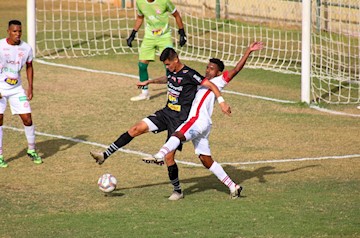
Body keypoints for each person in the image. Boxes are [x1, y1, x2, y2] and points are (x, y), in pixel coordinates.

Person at [90, 47, 231, 200]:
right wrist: (150, 81)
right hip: (166, 113)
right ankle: (104, 155)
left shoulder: (190, 74)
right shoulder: (171, 71)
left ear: (176, 59)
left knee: (169, 158)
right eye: (165, 65)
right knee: (136, 128)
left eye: (169, 64)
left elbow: (212, 86)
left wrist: (222, 102)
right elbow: (167, 78)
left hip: (180, 120)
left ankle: (177, 191)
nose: (167, 67)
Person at [144, 41, 264, 199]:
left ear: (219, 72)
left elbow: (236, 69)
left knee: (178, 134)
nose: (208, 70)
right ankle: (233, 186)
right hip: (203, 125)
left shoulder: (219, 82)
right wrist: (151, 81)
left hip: (197, 121)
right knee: (206, 160)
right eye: (207, 67)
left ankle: (160, 155)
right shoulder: (200, 82)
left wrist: (248, 51)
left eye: (212, 69)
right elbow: (173, 79)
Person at [0, 20, 43, 168]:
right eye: (14, 31)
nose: (18, 34)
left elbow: (29, 67)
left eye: (20, 31)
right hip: (0, 88)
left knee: (27, 119)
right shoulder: (0, 46)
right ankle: (0, 155)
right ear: (8, 31)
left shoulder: (26, 48)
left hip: (17, 88)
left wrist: (30, 87)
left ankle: (31, 150)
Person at [127, 0, 187, 101]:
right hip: (149, 36)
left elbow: (176, 15)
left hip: (164, 36)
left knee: (170, 64)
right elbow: (140, 17)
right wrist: (133, 34)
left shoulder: (164, 1)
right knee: (142, 65)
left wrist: (182, 32)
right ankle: (144, 92)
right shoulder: (140, 2)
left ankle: (173, 90)